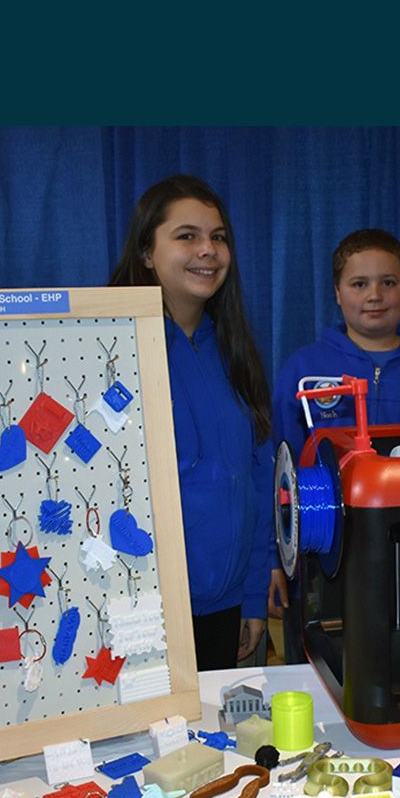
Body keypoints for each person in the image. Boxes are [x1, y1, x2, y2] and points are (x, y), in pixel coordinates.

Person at [108, 175, 277, 670]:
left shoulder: (233, 350)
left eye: (218, 237)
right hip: (143, 614)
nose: (208, 250)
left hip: (224, 610)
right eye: (187, 236)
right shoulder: (112, 349)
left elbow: (256, 478)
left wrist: (251, 597)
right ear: (145, 252)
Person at [269, 229, 400, 661]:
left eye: (389, 282)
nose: (375, 295)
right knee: (319, 669)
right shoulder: (304, 368)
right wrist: (273, 561)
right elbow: (275, 472)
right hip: (319, 563)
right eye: (359, 283)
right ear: (336, 292)